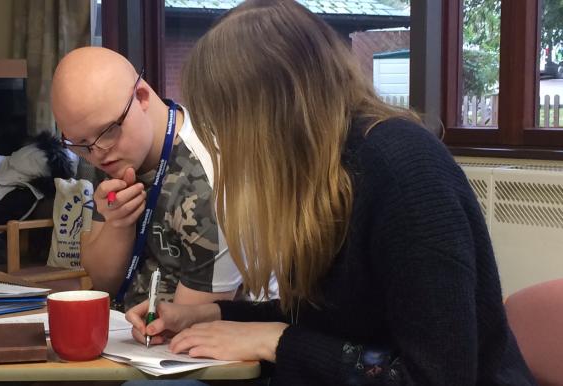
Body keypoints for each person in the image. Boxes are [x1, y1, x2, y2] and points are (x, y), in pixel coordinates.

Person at [125, 1, 536, 384]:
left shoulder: (404, 172)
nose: (224, 142)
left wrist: (276, 341)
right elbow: (333, 317)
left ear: (273, 110)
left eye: (226, 123)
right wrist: (209, 315)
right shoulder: (329, 169)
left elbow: (437, 375)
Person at [50, 47, 242, 309]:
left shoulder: (210, 179)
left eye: (106, 132)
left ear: (141, 97)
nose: (97, 155)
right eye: (80, 144)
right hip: (129, 330)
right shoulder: (105, 150)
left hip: (187, 338)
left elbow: (195, 324)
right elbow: (102, 283)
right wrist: (117, 225)